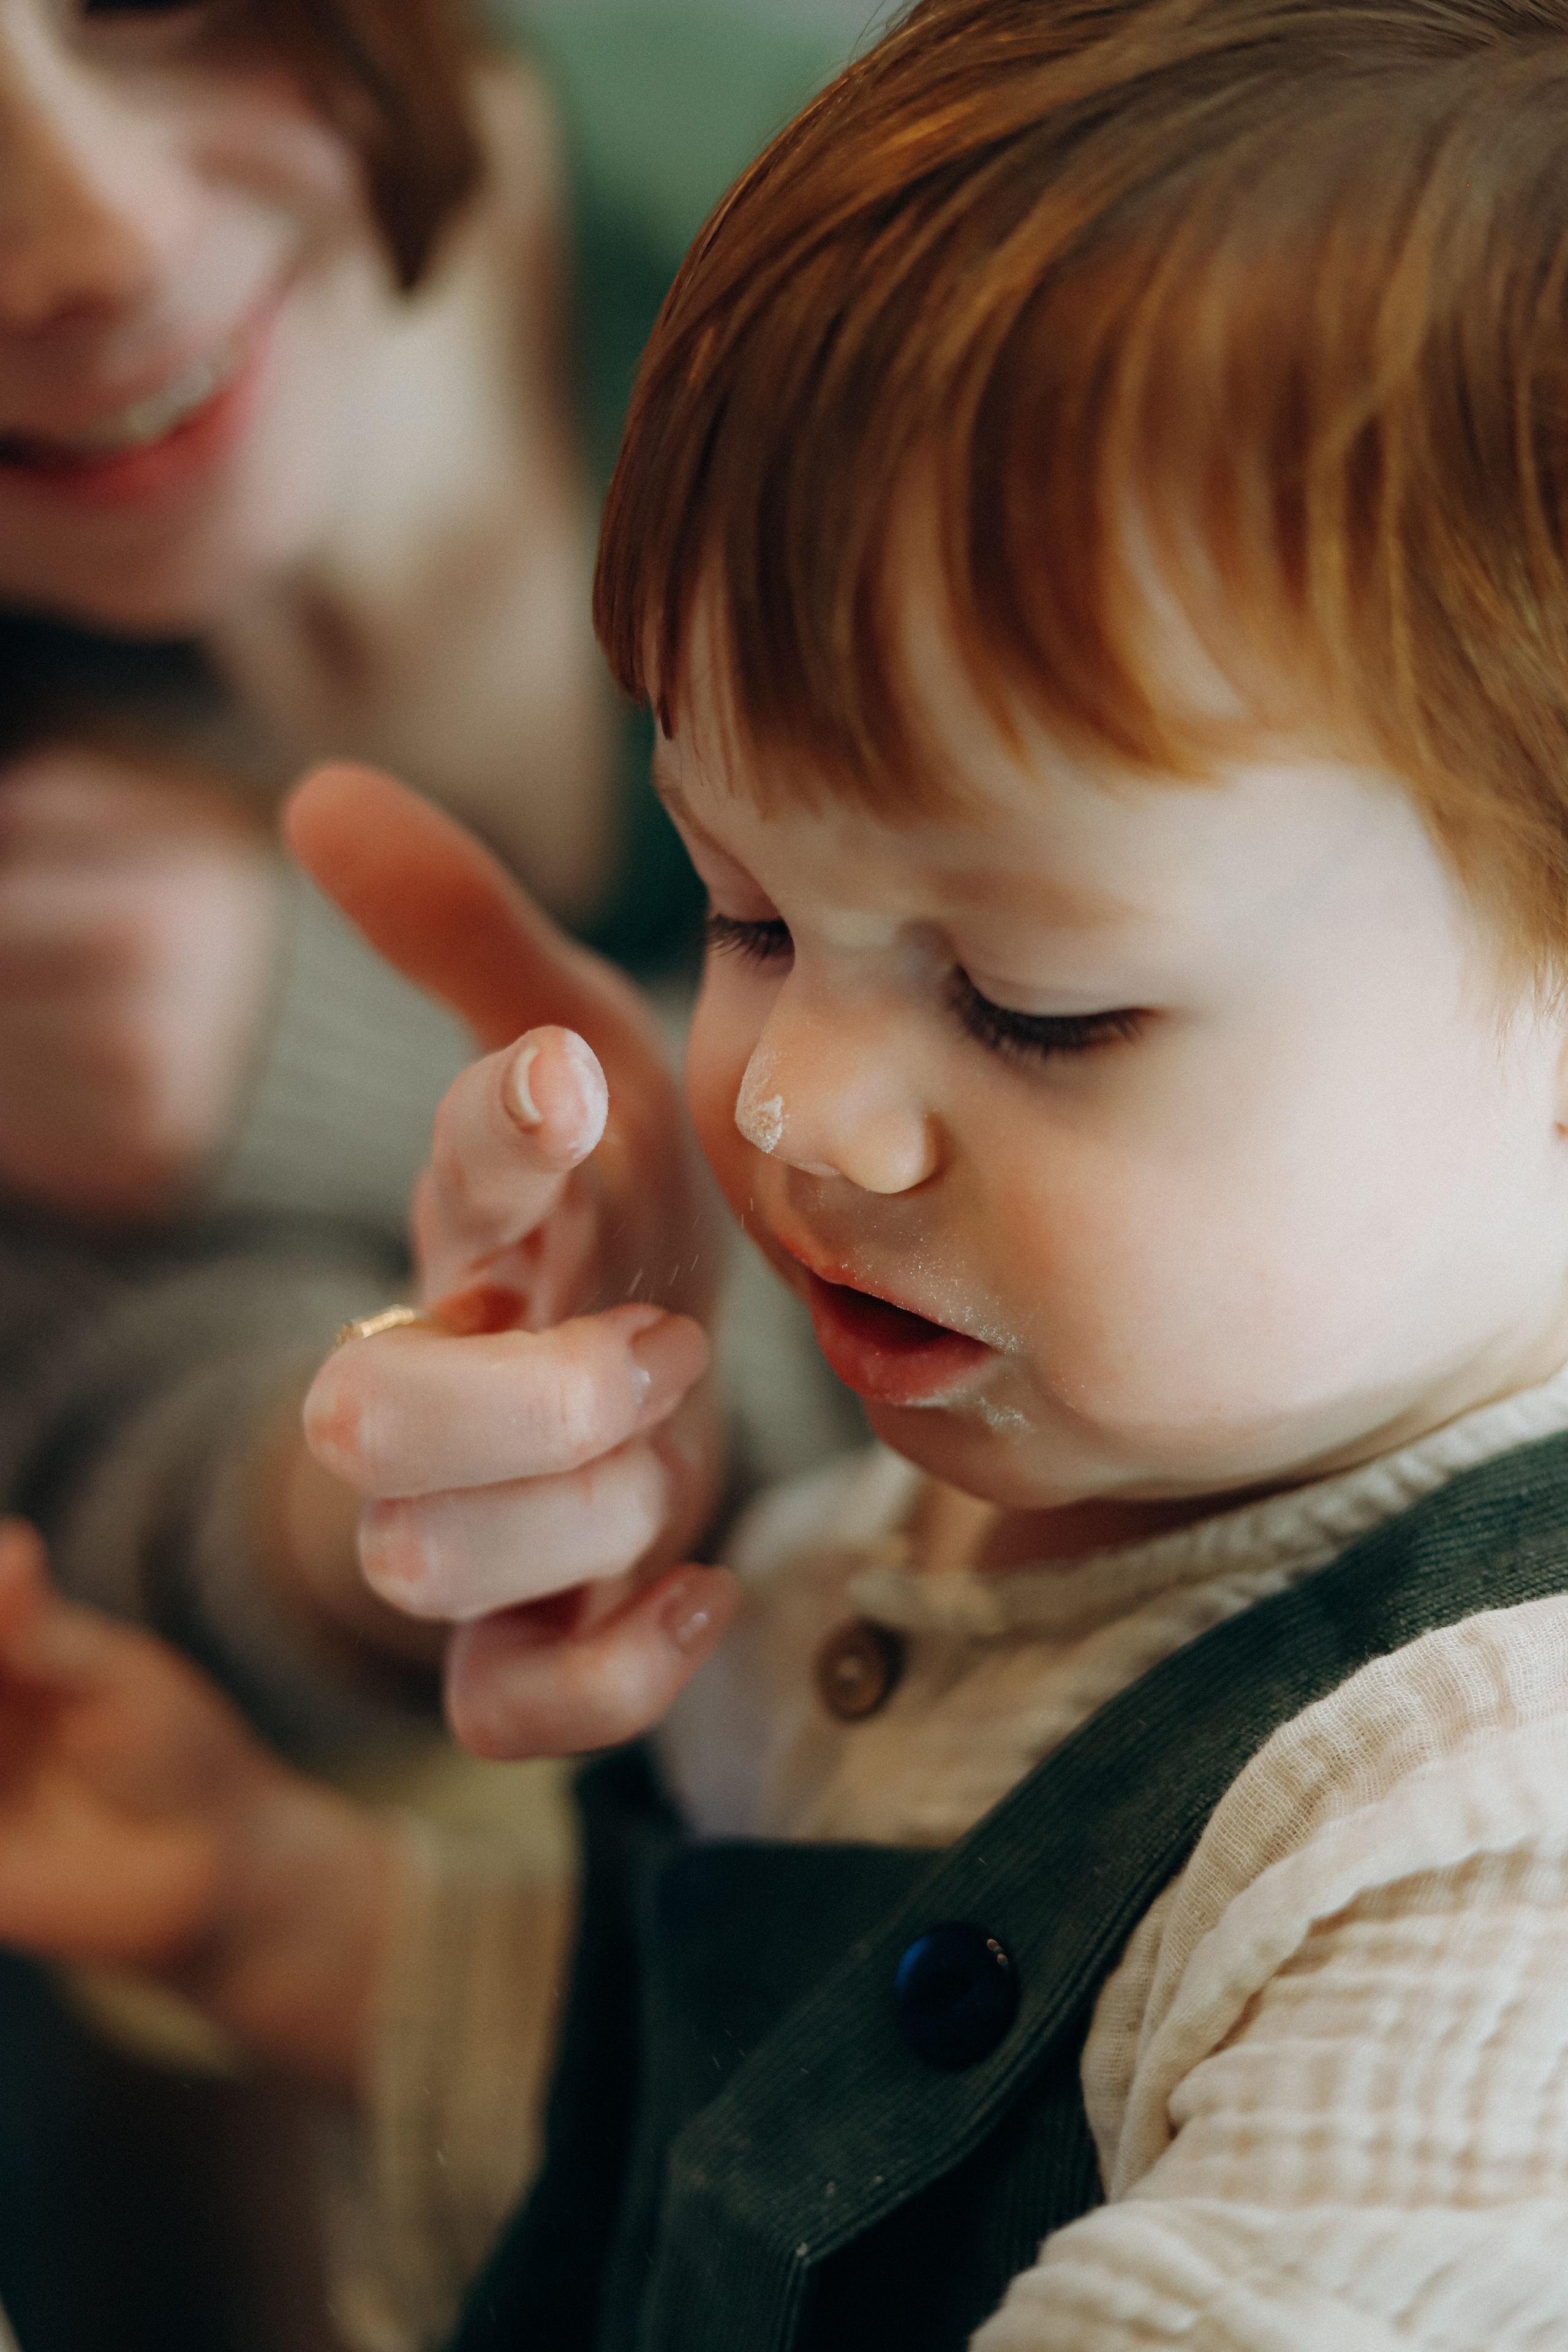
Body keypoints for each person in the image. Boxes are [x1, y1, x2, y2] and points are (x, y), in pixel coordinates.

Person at [15, 0, 1568, 2345]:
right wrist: (271, 1910)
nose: (787, 1105)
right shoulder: (922, 1538)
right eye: (746, 916)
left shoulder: (1482, 1852)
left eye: (1035, 1002)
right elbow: (777, 2149)